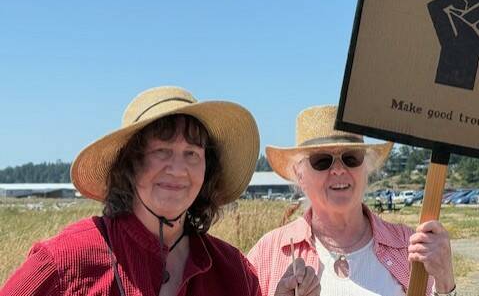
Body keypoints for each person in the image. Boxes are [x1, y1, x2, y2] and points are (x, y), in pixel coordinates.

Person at [1, 86, 319, 296]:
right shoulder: (67, 259)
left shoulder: (231, 271)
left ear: (208, 171)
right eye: (162, 150)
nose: (178, 169)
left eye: (192, 153)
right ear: (130, 164)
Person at [248, 105, 457, 296]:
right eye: (322, 160)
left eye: (351, 158)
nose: (339, 170)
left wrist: (445, 284)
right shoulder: (269, 252)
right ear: (300, 174)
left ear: (366, 168)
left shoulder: (410, 246)